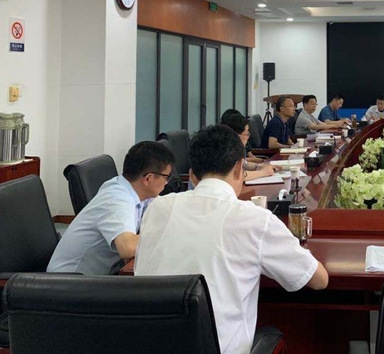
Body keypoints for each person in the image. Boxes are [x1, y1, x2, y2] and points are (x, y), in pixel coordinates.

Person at [135, 125, 328, 354]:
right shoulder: (254, 219)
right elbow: (318, 280)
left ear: (193, 175)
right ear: (239, 168)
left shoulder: (157, 208)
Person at [47, 141, 175, 274]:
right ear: (148, 179)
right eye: (167, 177)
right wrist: (169, 234)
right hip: (69, 280)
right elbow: (128, 247)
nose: (167, 182)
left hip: (99, 276)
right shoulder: (116, 199)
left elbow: (166, 209)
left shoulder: (137, 190)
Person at [231, 115, 276, 181]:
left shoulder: (236, 148)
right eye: (246, 133)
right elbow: (237, 176)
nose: (248, 136)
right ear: (237, 135)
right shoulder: (227, 150)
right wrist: (264, 172)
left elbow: (245, 164)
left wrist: (259, 166)